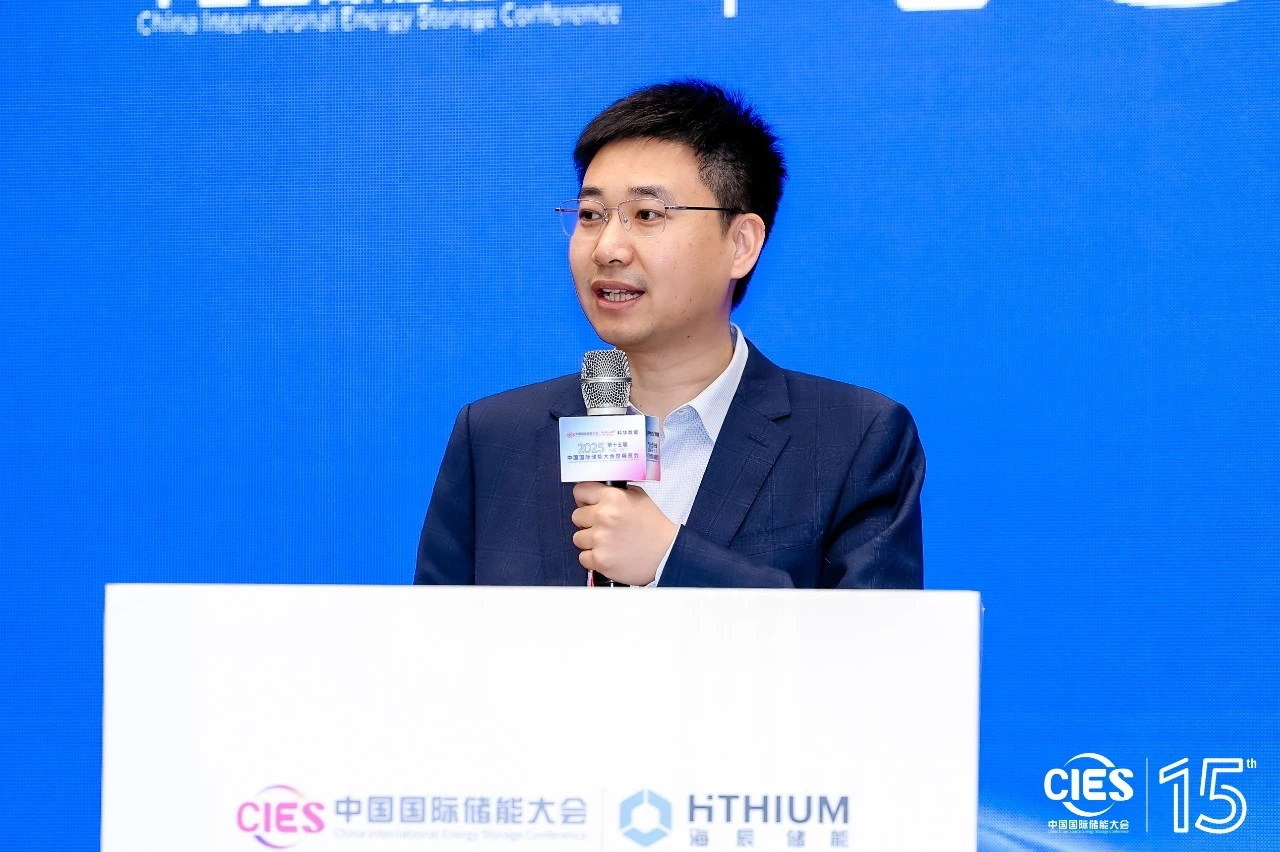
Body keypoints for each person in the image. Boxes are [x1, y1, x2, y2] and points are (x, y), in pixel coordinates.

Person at [416, 79, 924, 588]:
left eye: (647, 215)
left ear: (741, 244)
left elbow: (867, 636)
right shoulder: (493, 437)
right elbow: (433, 635)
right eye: (590, 215)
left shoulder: (853, 440)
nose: (607, 248)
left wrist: (670, 561)